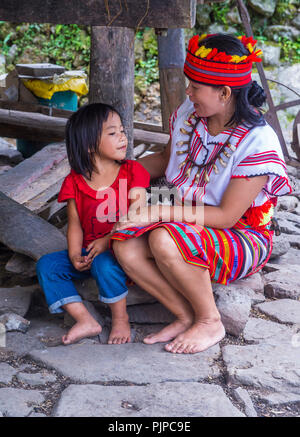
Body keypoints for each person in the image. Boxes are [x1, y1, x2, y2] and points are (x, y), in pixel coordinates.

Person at [111, 34, 292, 354]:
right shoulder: (190, 115)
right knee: (123, 239)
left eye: (195, 86)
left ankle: (210, 321)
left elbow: (225, 216)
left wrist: (158, 211)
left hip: (240, 233)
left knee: (163, 239)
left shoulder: (257, 143)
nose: (188, 92)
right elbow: (167, 160)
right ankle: (183, 314)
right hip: (182, 209)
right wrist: (120, 173)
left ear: (224, 93)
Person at [36, 103, 150, 345]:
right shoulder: (74, 182)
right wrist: (75, 254)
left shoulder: (133, 172)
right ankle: (85, 319)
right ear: (89, 146)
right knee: (48, 265)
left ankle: (120, 319)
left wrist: (108, 240)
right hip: (89, 251)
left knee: (103, 265)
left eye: (122, 130)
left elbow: (136, 217)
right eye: (113, 133)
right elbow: (75, 224)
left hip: (125, 251)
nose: (123, 137)